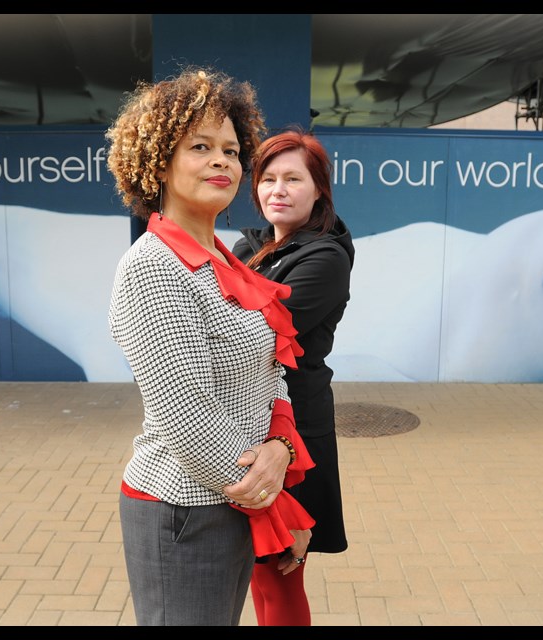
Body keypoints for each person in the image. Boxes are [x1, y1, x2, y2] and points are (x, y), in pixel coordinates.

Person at [105, 67, 316, 626]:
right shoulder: (151, 267)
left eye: (230, 148)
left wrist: (282, 449)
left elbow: (270, 371)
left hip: (233, 496)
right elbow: (186, 415)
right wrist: (270, 495)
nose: (222, 160)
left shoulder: (226, 259)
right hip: (184, 509)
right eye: (200, 146)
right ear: (158, 162)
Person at [232, 129, 355, 626]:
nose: (277, 190)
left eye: (293, 179)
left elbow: (250, 332)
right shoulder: (249, 245)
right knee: (258, 571)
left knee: (279, 574)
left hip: (293, 432)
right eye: (268, 179)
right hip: (249, 422)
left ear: (319, 189)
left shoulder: (325, 258)